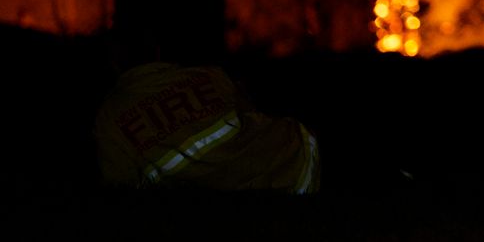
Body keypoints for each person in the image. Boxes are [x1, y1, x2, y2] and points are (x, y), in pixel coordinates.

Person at [94, 55, 321, 194]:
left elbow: (120, 183)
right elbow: (250, 113)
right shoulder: (208, 76)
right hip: (287, 166)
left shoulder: (108, 118)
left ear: (113, 61)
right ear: (157, 51)